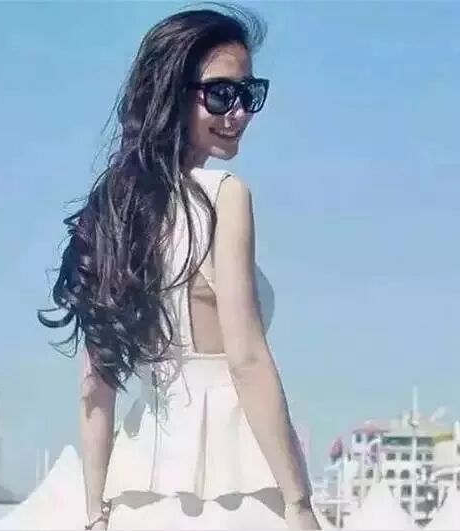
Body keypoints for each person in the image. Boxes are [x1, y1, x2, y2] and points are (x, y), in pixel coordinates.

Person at [39, 5, 320, 530]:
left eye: (249, 94)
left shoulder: (111, 212)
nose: (239, 112)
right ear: (171, 92)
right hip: (233, 487)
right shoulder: (224, 196)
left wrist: (96, 511)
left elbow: (95, 382)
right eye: (221, 94)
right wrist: (300, 504)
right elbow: (247, 359)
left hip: (137, 488)